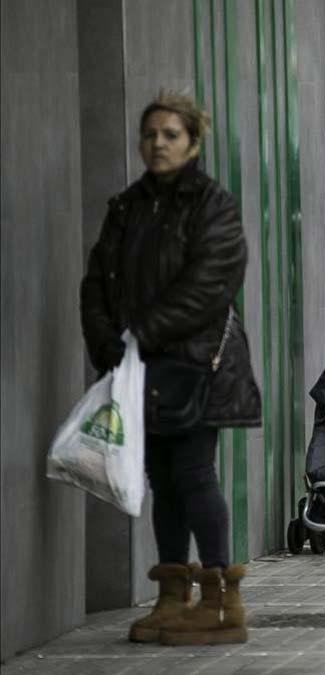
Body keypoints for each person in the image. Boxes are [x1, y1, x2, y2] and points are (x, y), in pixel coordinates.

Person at [80, 92, 261, 646]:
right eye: (150, 134)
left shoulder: (212, 205)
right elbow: (98, 280)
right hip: (141, 366)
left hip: (196, 365)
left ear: (194, 143)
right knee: (162, 478)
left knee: (194, 473)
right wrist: (107, 340)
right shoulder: (128, 206)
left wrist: (145, 331)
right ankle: (172, 596)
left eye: (171, 135)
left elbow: (212, 283)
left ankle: (222, 602)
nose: (158, 143)